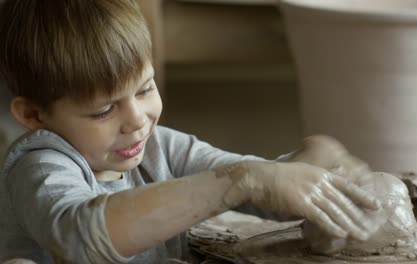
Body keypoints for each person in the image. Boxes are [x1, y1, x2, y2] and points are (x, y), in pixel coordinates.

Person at [0, 0, 382, 263]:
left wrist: (308, 166)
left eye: (146, 89)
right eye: (103, 111)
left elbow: (258, 186)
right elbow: (80, 236)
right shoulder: (41, 166)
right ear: (34, 114)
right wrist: (244, 181)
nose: (137, 120)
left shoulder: (159, 148)